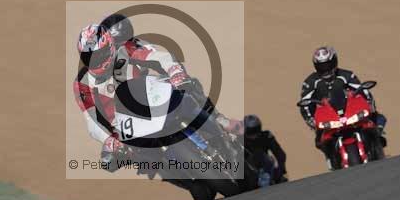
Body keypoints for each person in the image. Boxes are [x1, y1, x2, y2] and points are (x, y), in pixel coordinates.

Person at [73, 21, 243, 172]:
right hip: (123, 129)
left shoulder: (125, 49)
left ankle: (219, 121)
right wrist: (109, 139)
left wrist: (174, 70)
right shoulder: (82, 83)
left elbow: (157, 57)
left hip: (150, 100)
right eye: (89, 57)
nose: (95, 60)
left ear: (110, 45)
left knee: (188, 87)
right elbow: (91, 120)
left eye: (99, 54)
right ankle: (176, 175)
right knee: (110, 162)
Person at [299, 46, 387, 167]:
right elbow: (304, 103)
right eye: (321, 66)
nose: (326, 69)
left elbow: (362, 90)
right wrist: (311, 120)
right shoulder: (310, 82)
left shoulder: (346, 75)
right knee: (319, 140)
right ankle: (331, 158)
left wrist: (370, 105)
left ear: (335, 62)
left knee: (377, 118)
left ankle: (377, 141)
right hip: (327, 115)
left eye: (328, 65)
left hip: (349, 109)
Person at [243, 115, 288, 187]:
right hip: (248, 171)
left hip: (266, 166)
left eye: (256, 129)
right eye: (251, 131)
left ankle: (273, 177)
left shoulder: (266, 136)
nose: (254, 134)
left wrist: (281, 170)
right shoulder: (240, 140)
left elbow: (280, 153)